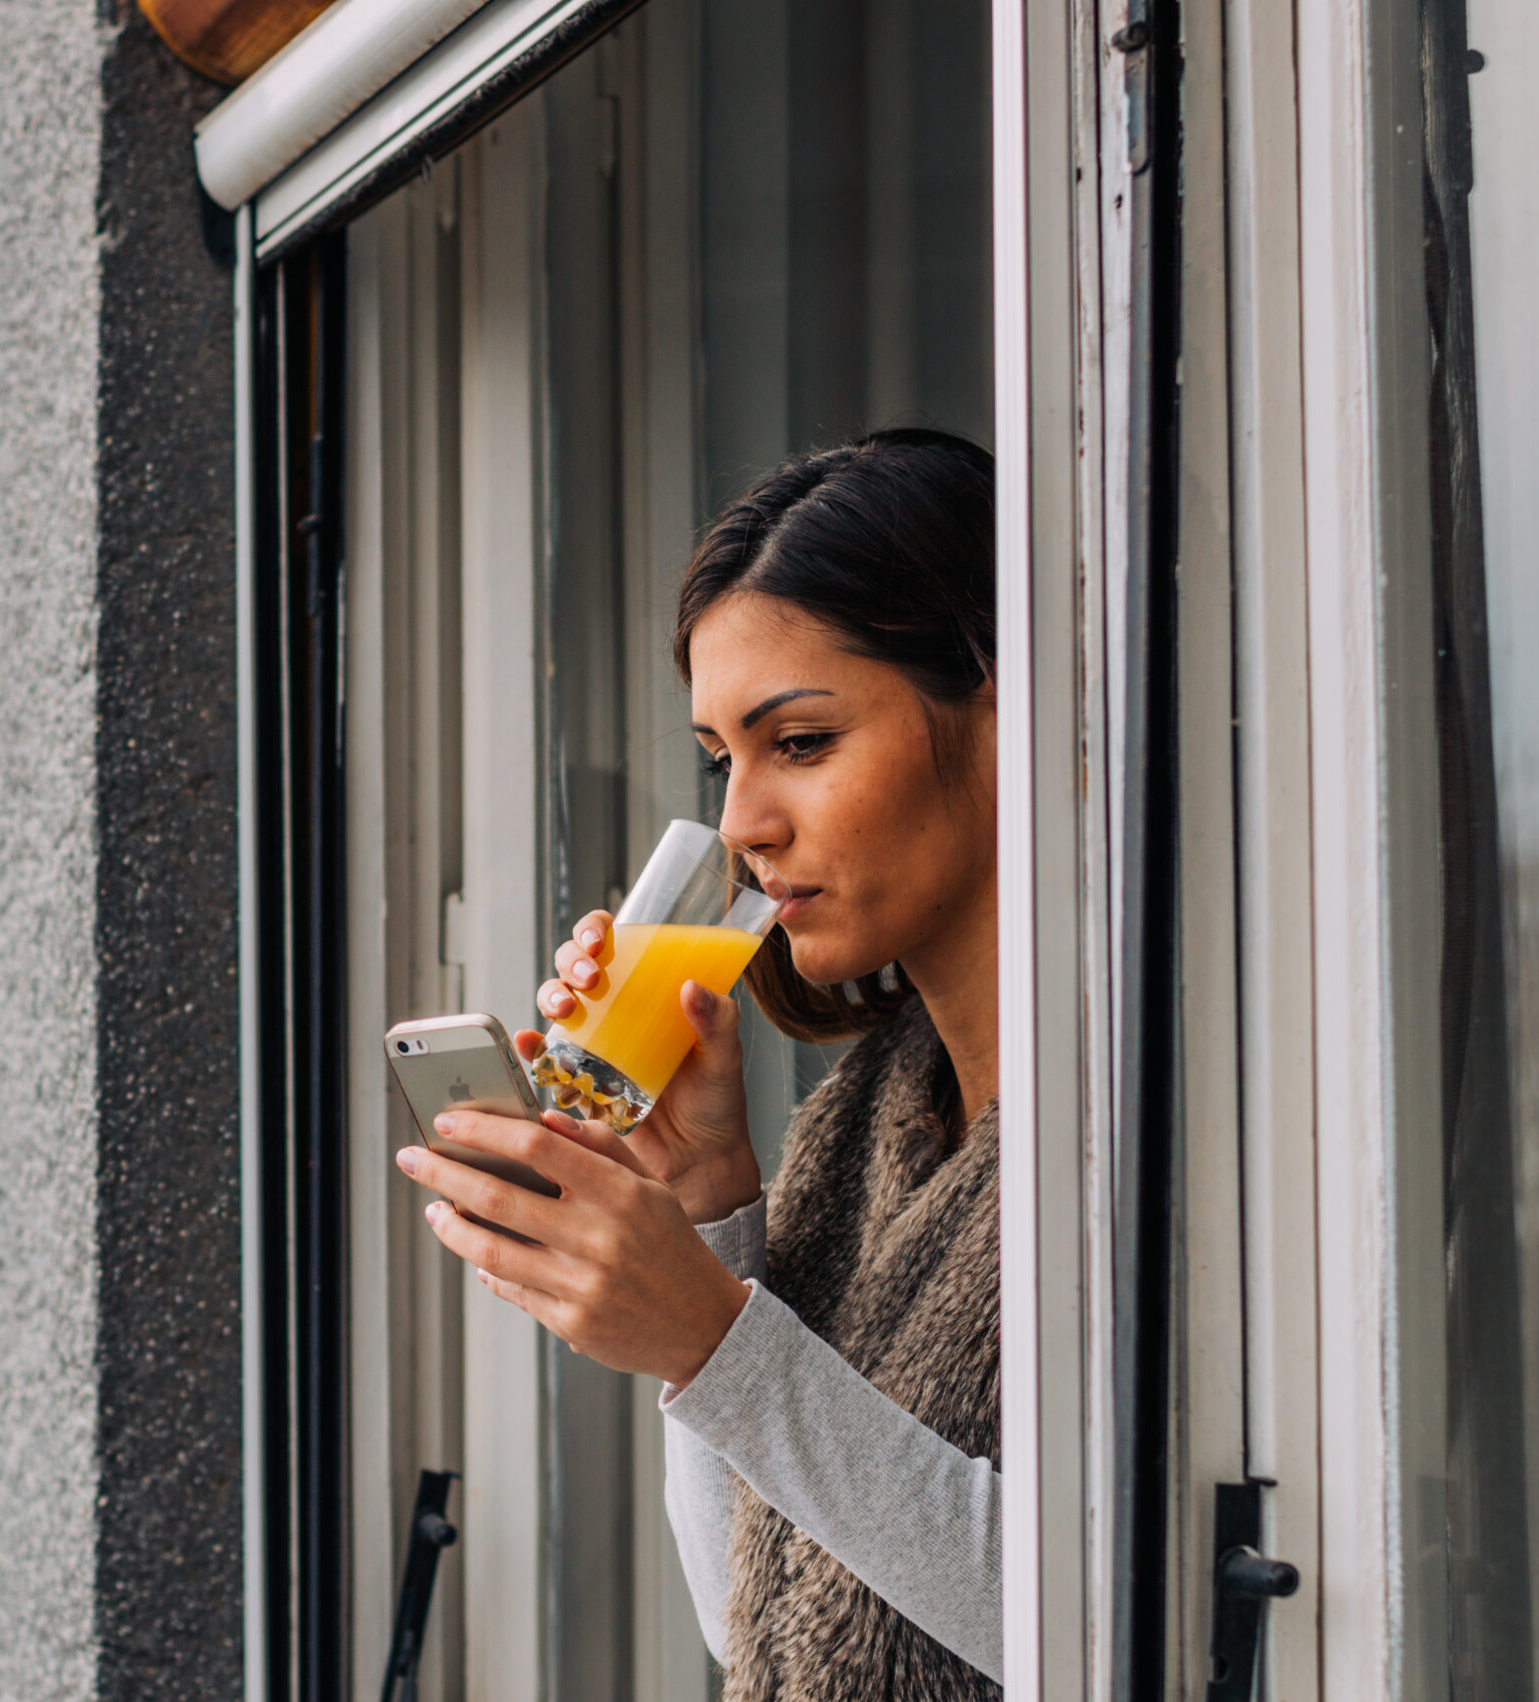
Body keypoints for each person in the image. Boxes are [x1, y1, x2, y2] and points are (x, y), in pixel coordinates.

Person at [394, 428, 1002, 1701]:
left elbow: (1102, 1612)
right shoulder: (865, 1124)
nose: (740, 825)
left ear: (995, 711)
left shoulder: (1161, 1122)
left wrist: (719, 1342)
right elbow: (762, 1621)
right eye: (721, 757)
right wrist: (712, 1205)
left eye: (800, 742)